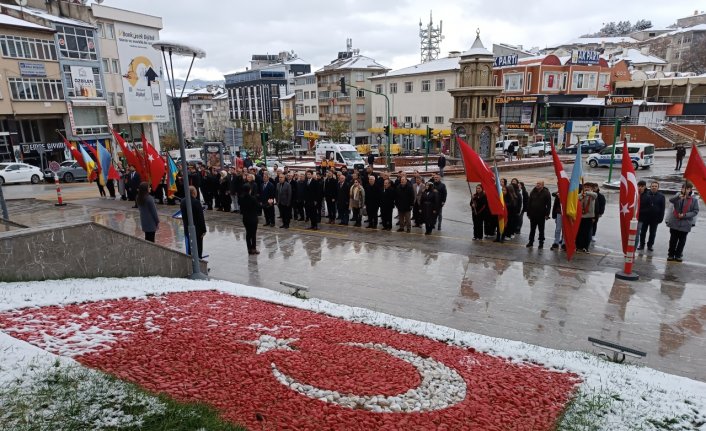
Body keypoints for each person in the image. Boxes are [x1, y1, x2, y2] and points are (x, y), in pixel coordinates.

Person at [666, 182, 699, 262]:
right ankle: (670, 254)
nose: (685, 190)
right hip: (675, 222)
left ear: (690, 190)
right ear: (681, 189)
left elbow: (695, 211)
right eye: (684, 188)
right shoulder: (678, 196)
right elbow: (671, 200)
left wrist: (685, 215)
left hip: (685, 223)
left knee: (682, 241)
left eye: (687, 189)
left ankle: (678, 255)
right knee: (673, 240)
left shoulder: (694, 200)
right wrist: (678, 197)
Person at [180, 186, 207, 259]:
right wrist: (204, 230)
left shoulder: (182, 201)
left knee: (190, 246)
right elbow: (201, 218)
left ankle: (190, 260)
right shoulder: (196, 202)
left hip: (187, 228)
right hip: (197, 229)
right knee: (198, 247)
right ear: (194, 192)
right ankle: (199, 262)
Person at [525, 181, 552, 248]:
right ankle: (530, 242)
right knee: (532, 229)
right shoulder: (533, 191)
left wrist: (547, 214)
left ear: (542, 185)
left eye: (539, 184)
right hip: (533, 214)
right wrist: (528, 213)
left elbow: (549, 205)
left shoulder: (546, 193)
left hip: (541, 215)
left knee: (541, 230)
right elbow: (529, 203)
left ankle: (541, 243)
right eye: (537, 183)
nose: (537, 185)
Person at [239, 183, 260, 255]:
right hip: (253, 219)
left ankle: (249, 249)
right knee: (253, 234)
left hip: (245, 218)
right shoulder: (252, 198)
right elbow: (259, 207)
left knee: (248, 234)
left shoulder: (241, 198)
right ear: (249, 190)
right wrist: (268, 204)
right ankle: (253, 249)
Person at [576, 184, 597, 253]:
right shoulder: (581, 194)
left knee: (587, 233)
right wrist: (582, 194)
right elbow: (577, 198)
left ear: (591, 189)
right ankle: (578, 246)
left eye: (588, 187)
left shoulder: (592, 196)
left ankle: (585, 247)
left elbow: (595, 195)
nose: (587, 188)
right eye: (585, 187)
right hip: (581, 216)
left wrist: (587, 193)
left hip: (589, 216)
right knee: (579, 232)